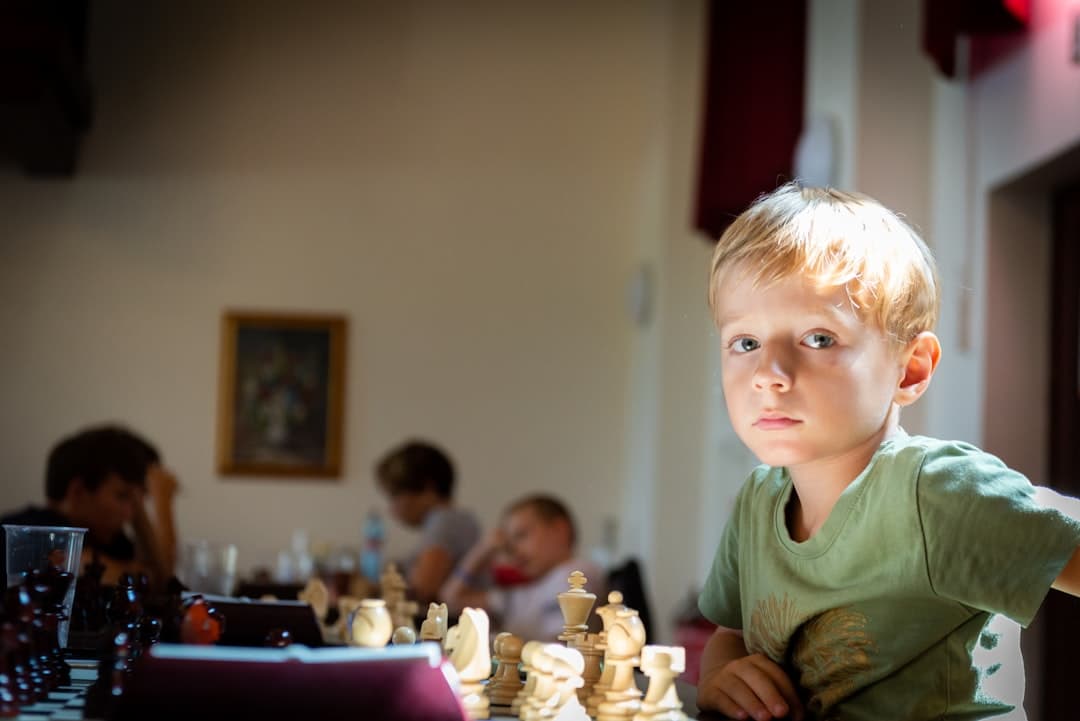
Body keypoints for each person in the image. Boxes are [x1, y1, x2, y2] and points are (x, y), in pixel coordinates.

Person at [695, 183, 1080, 721]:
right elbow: (729, 635)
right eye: (746, 343)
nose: (769, 375)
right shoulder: (760, 498)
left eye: (819, 339)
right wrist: (719, 676)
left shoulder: (939, 491)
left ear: (912, 368)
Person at [0, 424, 179, 588]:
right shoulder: (28, 532)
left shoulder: (113, 542)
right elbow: (89, 569)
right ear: (78, 491)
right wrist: (162, 504)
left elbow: (161, 582)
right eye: (122, 496)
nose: (129, 514)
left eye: (137, 502)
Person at [440, 494, 604, 642]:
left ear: (559, 529)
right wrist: (483, 549)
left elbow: (559, 645)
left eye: (521, 535)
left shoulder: (577, 574)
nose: (514, 551)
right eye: (509, 544)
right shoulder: (530, 591)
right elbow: (451, 599)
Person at [375, 439, 480, 605]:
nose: (392, 509)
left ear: (427, 489)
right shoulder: (461, 519)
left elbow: (422, 590)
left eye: (395, 496)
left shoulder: (444, 521)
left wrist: (375, 586)